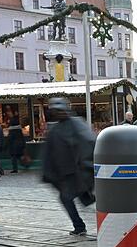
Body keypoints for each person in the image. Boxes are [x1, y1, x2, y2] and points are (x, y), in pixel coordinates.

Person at [41, 97, 96, 235]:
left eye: (60, 110)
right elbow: (50, 151)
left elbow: (88, 143)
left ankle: (80, 226)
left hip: (79, 172)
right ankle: (79, 226)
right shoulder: (55, 129)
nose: (58, 113)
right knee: (69, 198)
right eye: (55, 111)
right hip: (67, 174)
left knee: (73, 197)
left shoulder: (76, 124)